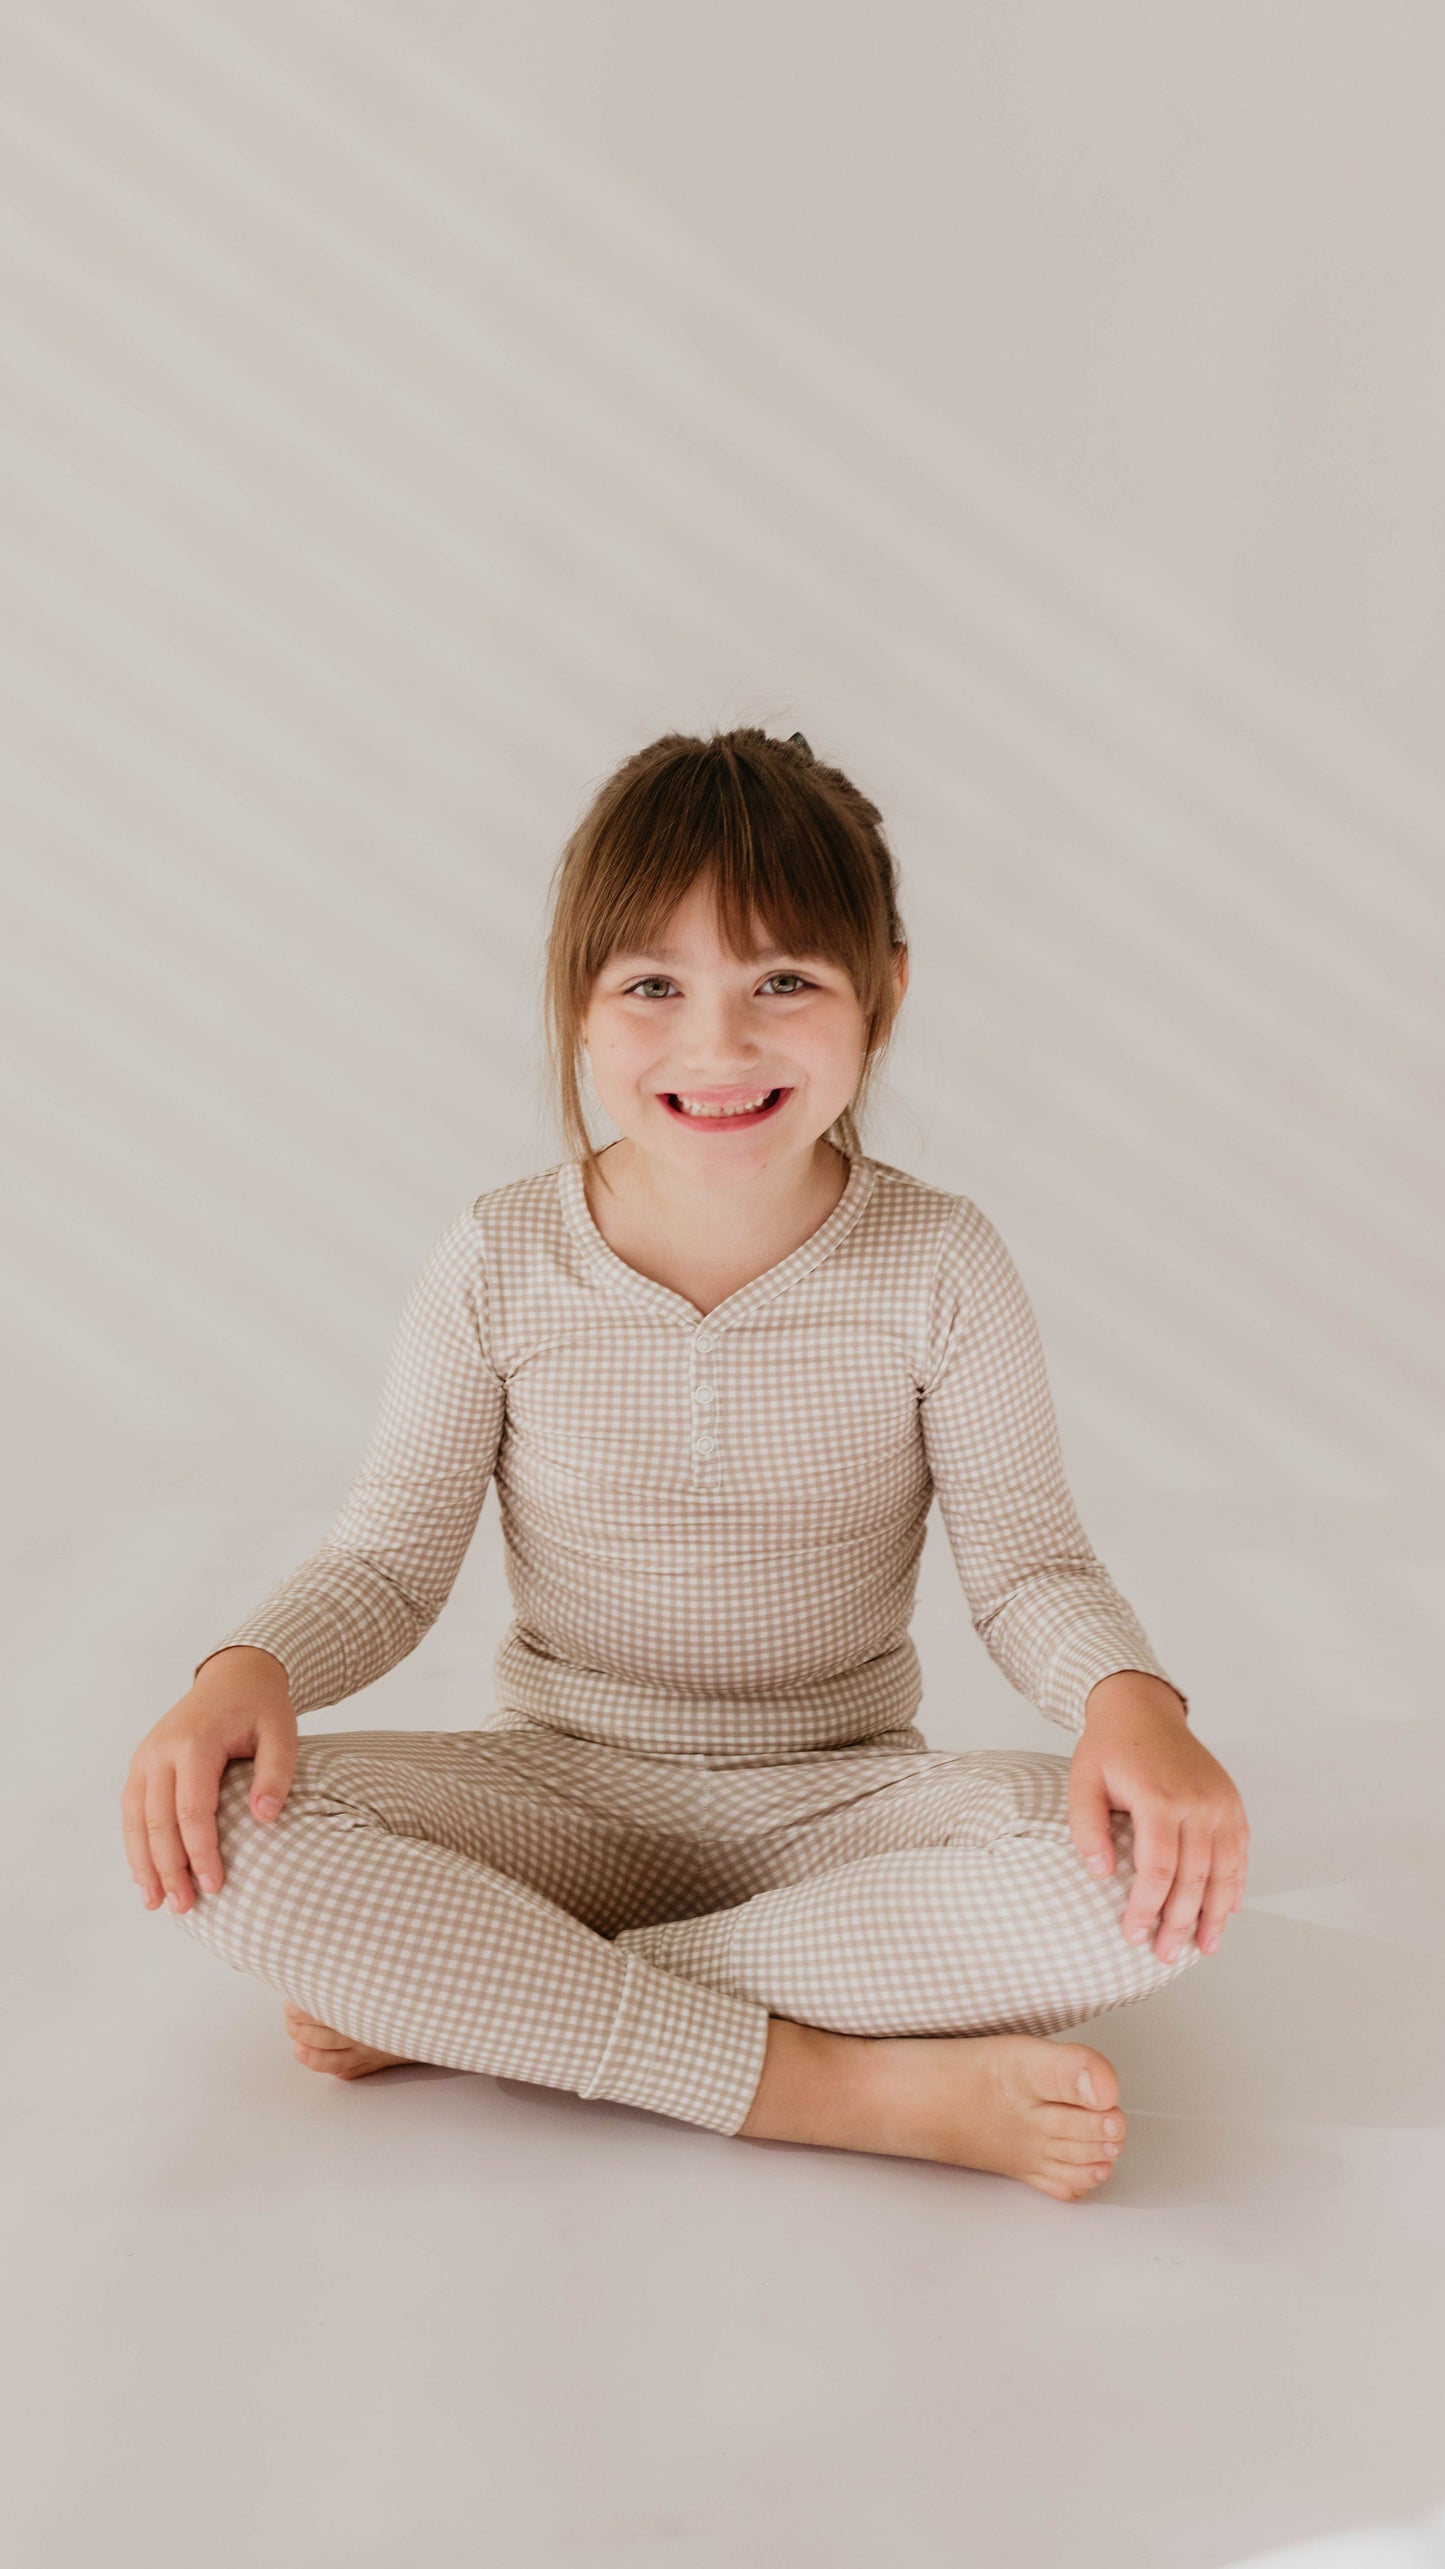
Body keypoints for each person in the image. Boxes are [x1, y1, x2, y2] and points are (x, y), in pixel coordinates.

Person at [120, 726, 1250, 2202]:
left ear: (884, 994)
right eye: (653, 985)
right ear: (580, 1012)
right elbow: (391, 1557)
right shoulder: (501, 1258)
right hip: (556, 1799)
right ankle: (838, 2086)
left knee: (1136, 1893)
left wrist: (1129, 1702)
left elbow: (1027, 1562)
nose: (717, 1046)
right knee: (218, 1835)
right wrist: (245, 1665)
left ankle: (481, 1997)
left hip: (839, 1809)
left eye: (783, 980)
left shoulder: (938, 1262)